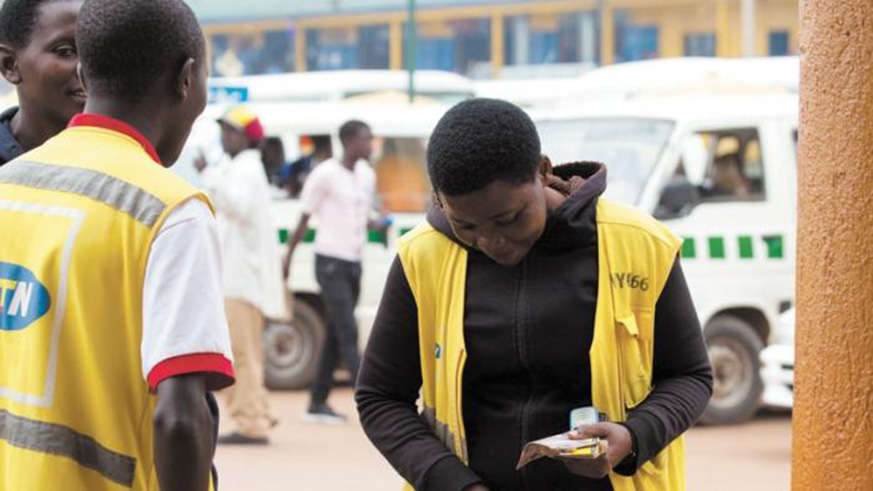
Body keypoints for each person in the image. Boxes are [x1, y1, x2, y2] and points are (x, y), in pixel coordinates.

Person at [356, 99, 713, 491]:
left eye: (508, 218)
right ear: (440, 200)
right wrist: (454, 483)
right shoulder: (420, 257)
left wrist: (634, 436)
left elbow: (689, 375)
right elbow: (380, 397)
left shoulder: (640, 243)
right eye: (466, 226)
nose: (493, 241)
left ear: (542, 171)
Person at [0, 0, 235, 490]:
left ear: (88, 69)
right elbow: (180, 419)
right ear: (187, 78)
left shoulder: (11, 184)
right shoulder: (171, 210)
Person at [284, 120, 383, 423]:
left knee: (334, 332)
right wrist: (287, 257)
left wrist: (377, 223)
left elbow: (363, 215)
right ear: (349, 142)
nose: (370, 146)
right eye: (365, 140)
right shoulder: (325, 174)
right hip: (329, 261)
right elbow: (304, 216)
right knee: (348, 329)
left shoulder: (367, 175)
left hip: (354, 260)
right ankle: (372, 402)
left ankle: (317, 402)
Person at [199, 105, 286, 445]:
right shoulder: (239, 167)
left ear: (246, 138)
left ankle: (251, 423)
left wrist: (209, 176)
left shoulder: (246, 169)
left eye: (231, 131)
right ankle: (260, 410)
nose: (224, 136)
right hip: (236, 278)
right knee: (246, 350)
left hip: (239, 280)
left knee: (240, 352)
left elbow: (238, 207)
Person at [0, 0, 86, 165]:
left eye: (95, 48)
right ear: (10, 64)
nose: (90, 66)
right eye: (66, 51)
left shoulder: (136, 157)